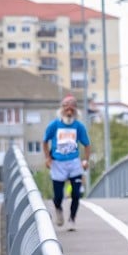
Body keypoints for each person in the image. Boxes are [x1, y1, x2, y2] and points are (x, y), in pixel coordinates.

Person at [43, 94, 91, 230]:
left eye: (72, 110)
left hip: (74, 162)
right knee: (58, 195)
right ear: (62, 110)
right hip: (58, 163)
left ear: (75, 111)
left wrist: (86, 160)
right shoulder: (54, 125)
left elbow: (87, 144)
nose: (69, 112)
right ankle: (58, 209)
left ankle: (72, 219)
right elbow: (45, 141)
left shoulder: (78, 126)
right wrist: (47, 158)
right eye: (67, 109)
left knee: (76, 193)